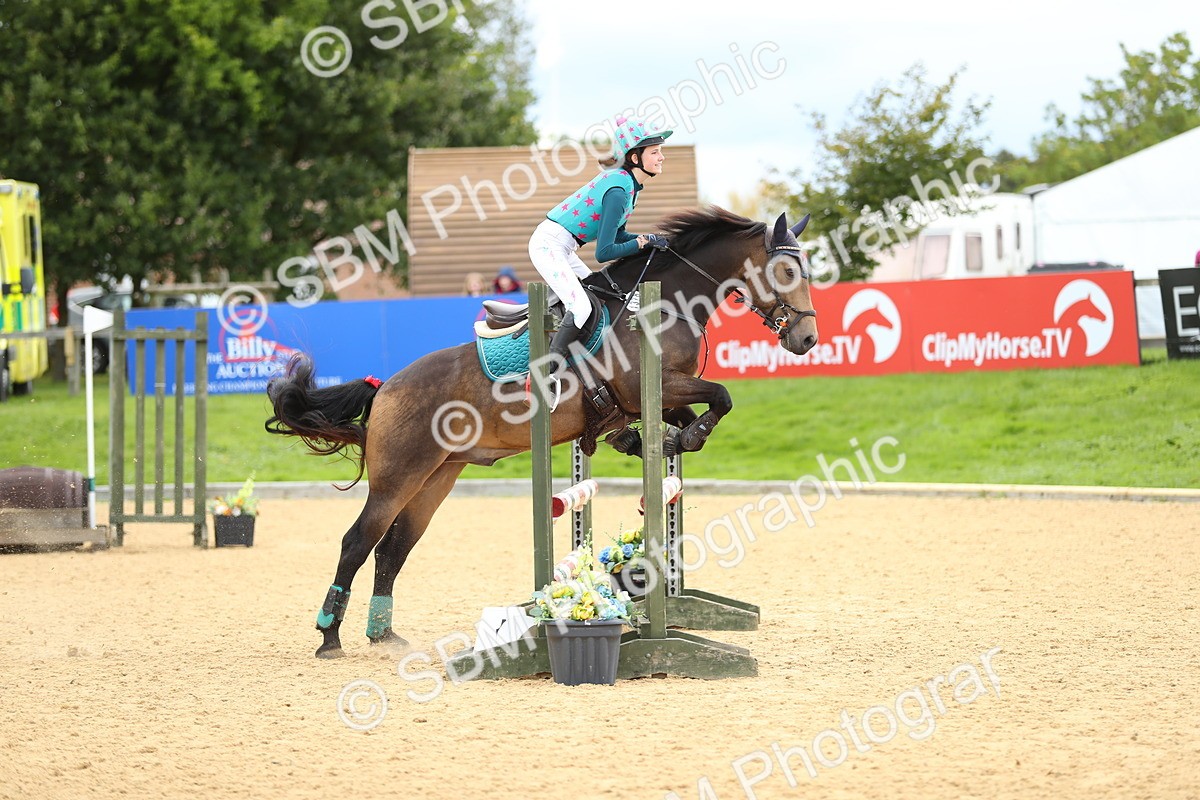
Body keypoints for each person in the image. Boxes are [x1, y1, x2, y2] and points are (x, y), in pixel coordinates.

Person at [528, 116, 672, 376]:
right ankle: (544, 374)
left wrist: (648, 239)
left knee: (601, 293)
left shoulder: (628, 185)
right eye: (655, 152)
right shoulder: (619, 190)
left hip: (563, 245)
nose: (661, 157)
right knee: (581, 307)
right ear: (635, 158)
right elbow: (604, 252)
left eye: (660, 151)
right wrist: (640, 243)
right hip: (548, 245)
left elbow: (619, 236)